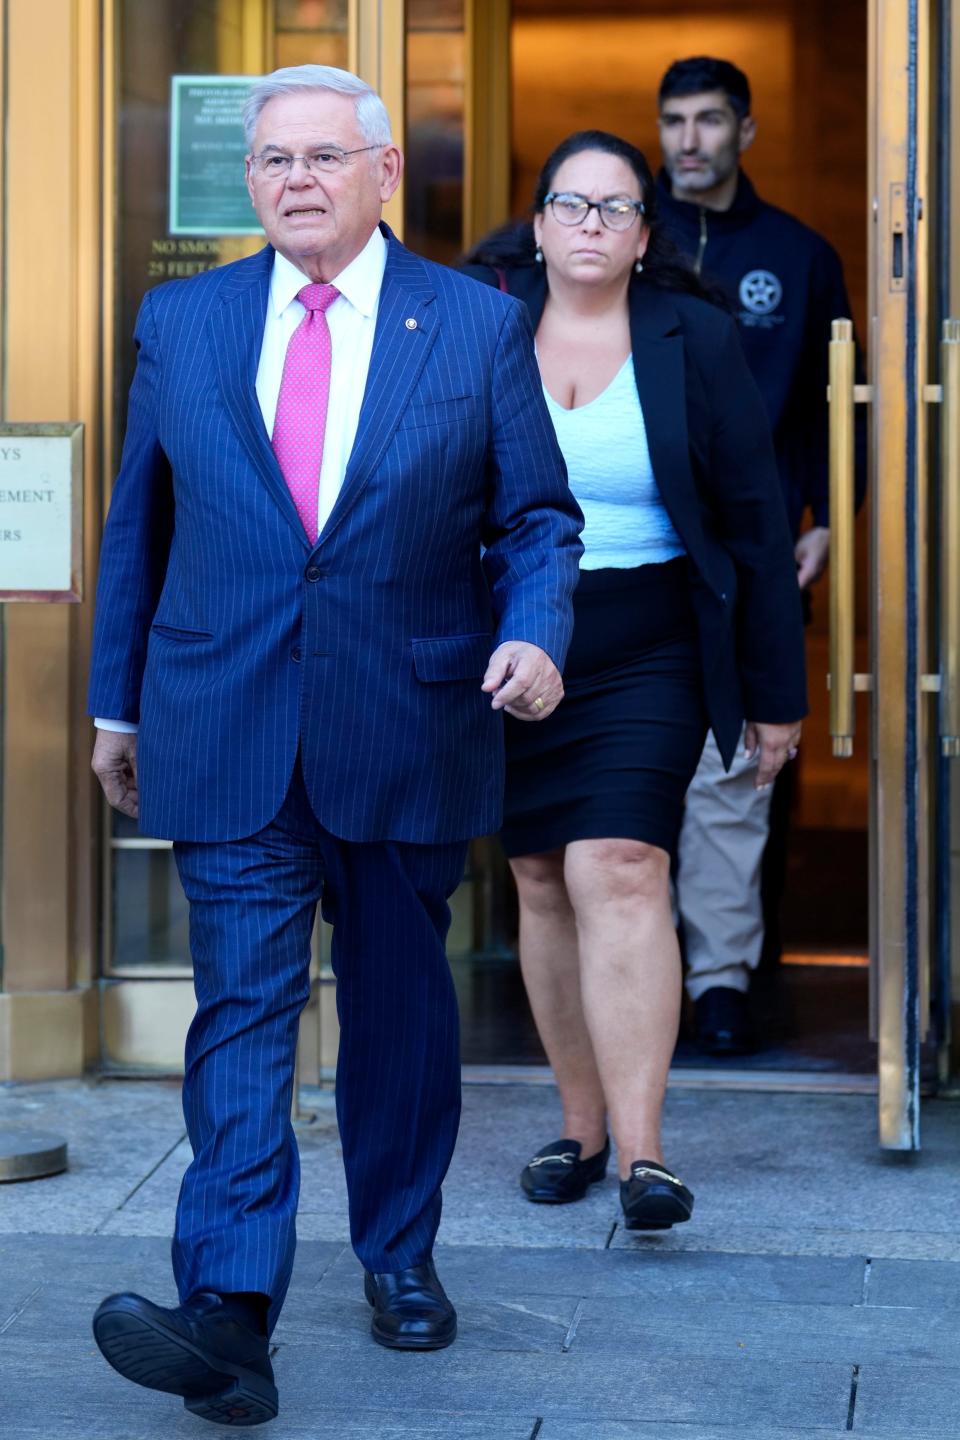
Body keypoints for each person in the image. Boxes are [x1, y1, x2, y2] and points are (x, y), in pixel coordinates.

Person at [87, 64, 583, 1427]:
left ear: (380, 172)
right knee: (240, 1012)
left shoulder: (474, 324)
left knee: (401, 1013)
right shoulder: (182, 321)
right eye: (270, 162)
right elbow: (143, 526)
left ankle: (398, 1250)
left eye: (320, 156)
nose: (294, 180)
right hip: (225, 715)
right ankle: (230, 1313)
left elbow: (537, 517)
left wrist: (537, 631)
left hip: (407, 720)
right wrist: (113, 705)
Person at [461, 130, 806, 1230]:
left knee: (620, 864)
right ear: (542, 222)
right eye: (574, 204)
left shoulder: (692, 336)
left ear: (645, 233)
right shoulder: (483, 325)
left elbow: (756, 522)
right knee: (541, 882)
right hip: (518, 639)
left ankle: (644, 1155)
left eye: (618, 209)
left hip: (649, 636)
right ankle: (580, 1125)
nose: (594, 225)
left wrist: (776, 695)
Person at [656, 56, 865, 1054]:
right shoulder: (627, 236)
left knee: (748, 766)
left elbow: (842, 401)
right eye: (673, 122)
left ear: (745, 132)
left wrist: (830, 516)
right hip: (642, 548)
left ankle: (729, 976)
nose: (688, 140)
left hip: (764, 553)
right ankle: (655, 964)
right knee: (645, 764)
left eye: (707, 121)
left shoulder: (801, 251)